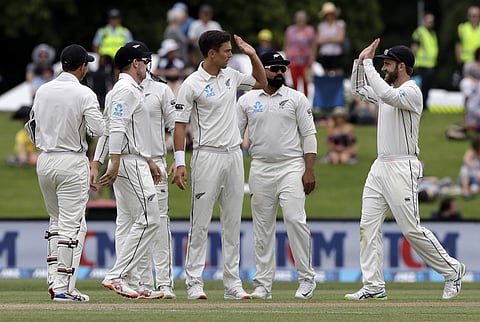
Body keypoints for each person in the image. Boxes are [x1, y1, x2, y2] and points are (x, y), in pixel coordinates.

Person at [344, 38, 465, 301]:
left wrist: (368, 64)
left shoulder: (411, 91)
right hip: (380, 166)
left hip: (403, 165)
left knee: (411, 229)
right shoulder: (386, 90)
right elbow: (358, 90)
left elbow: (387, 94)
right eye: (381, 64)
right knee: (368, 225)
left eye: (387, 64)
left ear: (401, 66)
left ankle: (453, 270)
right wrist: (359, 62)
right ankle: (374, 285)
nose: (383, 67)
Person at [172, 30, 267, 300]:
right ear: (211, 53)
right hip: (206, 155)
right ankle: (194, 283)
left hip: (234, 154)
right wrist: (180, 163)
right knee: (200, 223)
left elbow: (261, 81)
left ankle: (232, 284)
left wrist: (252, 55)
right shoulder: (191, 84)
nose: (230, 55)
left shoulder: (231, 75)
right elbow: (179, 127)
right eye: (226, 51)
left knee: (232, 222)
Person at [27, 44, 105, 301]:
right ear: (82, 66)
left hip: (45, 159)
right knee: (73, 225)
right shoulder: (84, 93)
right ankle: (63, 287)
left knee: (57, 221)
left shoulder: (42, 90)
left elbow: (31, 126)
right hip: (71, 160)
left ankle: (54, 280)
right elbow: (97, 129)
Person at [237, 51, 317, 300]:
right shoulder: (247, 100)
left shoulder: (296, 98)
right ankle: (263, 285)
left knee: (295, 220)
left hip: (291, 166)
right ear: (262, 69)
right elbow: (233, 137)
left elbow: (310, 135)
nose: (280, 72)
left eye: (283, 68)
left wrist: (309, 170)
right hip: (260, 166)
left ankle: (306, 278)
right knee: (262, 227)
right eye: (274, 68)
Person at [92, 41, 163, 300]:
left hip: (132, 159)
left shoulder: (121, 90)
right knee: (149, 219)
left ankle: (134, 281)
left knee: (130, 222)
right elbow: (117, 128)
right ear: (135, 63)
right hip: (127, 162)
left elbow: (108, 129)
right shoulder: (126, 90)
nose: (147, 65)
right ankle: (116, 275)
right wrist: (114, 161)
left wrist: (97, 162)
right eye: (144, 60)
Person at [283, 10, 316, 97]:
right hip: (292, 60)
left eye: (302, 19)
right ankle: (294, 101)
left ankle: (305, 101)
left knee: (305, 82)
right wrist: (286, 59)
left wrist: (312, 58)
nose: (300, 21)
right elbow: (286, 44)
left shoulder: (309, 30)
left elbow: (313, 46)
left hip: (305, 60)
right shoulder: (290, 30)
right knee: (293, 81)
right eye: (299, 19)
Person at [411, 12, 438, 110]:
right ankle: (420, 104)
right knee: (421, 86)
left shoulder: (432, 33)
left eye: (432, 21)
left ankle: (424, 104)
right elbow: (414, 47)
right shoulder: (420, 32)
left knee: (427, 86)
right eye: (429, 21)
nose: (431, 23)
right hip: (421, 64)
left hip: (430, 64)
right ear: (424, 21)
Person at [316, 2, 346, 76]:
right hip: (325, 53)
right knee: (325, 71)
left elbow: (340, 39)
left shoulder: (340, 24)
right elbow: (319, 40)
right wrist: (333, 39)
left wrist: (326, 40)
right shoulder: (321, 26)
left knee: (338, 71)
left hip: (336, 53)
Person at [458, 134, 480, 199]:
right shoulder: (471, 152)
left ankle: (469, 190)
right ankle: (465, 190)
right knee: (465, 169)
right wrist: (476, 171)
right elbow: (466, 160)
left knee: (475, 188)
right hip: (471, 175)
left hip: (477, 180)